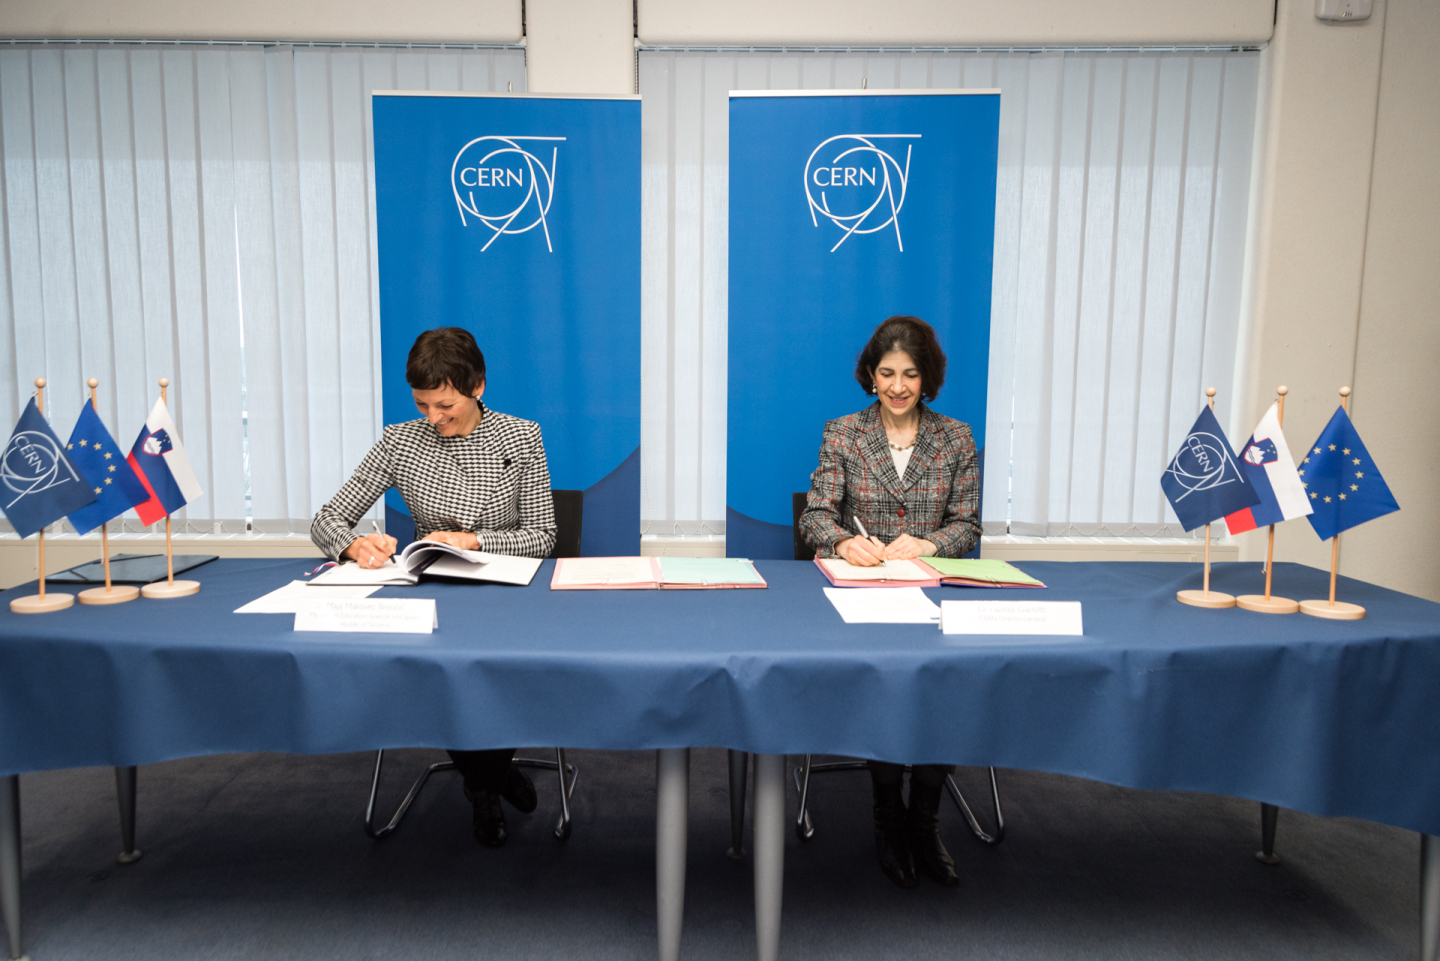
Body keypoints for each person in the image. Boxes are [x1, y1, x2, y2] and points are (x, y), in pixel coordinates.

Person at [310, 327, 557, 848]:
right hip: (431, 594)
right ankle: (491, 780)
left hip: (506, 595)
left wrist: (476, 539)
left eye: (445, 405)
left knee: (500, 667)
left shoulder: (520, 436)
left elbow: (542, 535)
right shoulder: (401, 440)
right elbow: (328, 519)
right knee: (441, 670)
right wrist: (354, 547)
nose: (433, 418)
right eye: (423, 405)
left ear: (478, 387)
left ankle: (484, 780)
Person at [798, 315, 981, 889]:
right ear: (870, 377)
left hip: (935, 595)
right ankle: (886, 817)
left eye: (910, 374)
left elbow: (967, 524)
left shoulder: (956, 437)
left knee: (939, 687)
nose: (898, 386)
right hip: (867, 597)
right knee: (887, 682)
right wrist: (843, 541)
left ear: (928, 379)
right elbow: (816, 515)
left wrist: (929, 542)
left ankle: (923, 822)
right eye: (886, 374)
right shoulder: (844, 433)